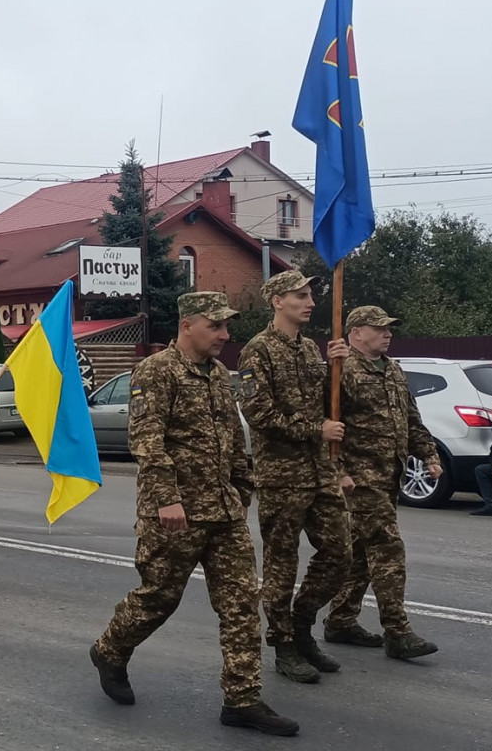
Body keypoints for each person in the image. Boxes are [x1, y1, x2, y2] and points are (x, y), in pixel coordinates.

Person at [91, 292, 298, 736]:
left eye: (226, 327)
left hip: (223, 511)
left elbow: (232, 437)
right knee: (159, 598)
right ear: (188, 325)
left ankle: (242, 699)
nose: (225, 335)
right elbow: (148, 440)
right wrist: (168, 499)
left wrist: (243, 488)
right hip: (175, 513)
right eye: (216, 326)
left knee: (243, 604)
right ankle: (110, 649)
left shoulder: (221, 374)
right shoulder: (156, 370)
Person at [238, 270, 351, 684]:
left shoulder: (310, 351)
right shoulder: (258, 351)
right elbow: (259, 415)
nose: (310, 302)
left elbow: (330, 402)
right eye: (300, 296)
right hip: (281, 475)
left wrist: (340, 364)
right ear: (277, 301)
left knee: (341, 553)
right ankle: (284, 644)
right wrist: (314, 430)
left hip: (320, 471)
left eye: (310, 295)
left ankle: (302, 625)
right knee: (282, 565)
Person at [324, 306, 442, 660]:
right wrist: (338, 470)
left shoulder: (393, 369)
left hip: (390, 475)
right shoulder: (341, 371)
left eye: (390, 328)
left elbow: (411, 417)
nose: (388, 333)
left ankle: (341, 620)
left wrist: (429, 455)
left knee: (361, 552)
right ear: (356, 333)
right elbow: (326, 425)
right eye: (380, 328)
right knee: (388, 550)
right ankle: (397, 631)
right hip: (360, 480)